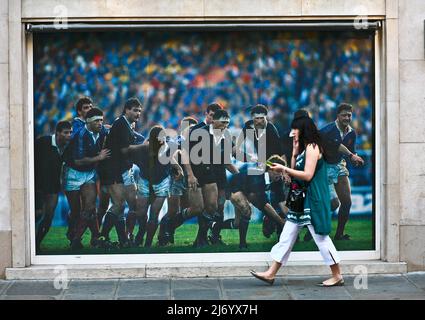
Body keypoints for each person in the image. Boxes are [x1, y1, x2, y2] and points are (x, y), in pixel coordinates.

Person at [250, 115, 344, 287]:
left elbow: (307, 175)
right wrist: (293, 153)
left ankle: (337, 274)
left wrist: (284, 168)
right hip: (302, 200)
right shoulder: (304, 149)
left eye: (295, 129)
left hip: (312, 199)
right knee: (286, 236)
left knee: (320, 237)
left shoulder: (313, 147)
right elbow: (296, 170)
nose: (292, 132)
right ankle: (271, 273)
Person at [212, 155, 288, 249]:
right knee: (246, 210)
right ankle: (242, 245)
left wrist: (290, 220)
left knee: (237, 224)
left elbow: (282, 203)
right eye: (278, 171)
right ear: (270, 169)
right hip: (234, 187)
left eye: (282, 171)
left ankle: (216, 227)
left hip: (247, 188)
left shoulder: (277, 180)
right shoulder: (257, 173)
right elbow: (260, 202)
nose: (280, 174)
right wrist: (280, 222)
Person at [188, 109, 239, 248]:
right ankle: (201, 238)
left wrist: (239, 175)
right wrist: (190, 175)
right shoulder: (200, 132)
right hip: (203, 173)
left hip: (219, 173)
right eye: (223, 122)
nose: (225, 126)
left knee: (219, 206)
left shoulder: (226, 135)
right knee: (209, 206)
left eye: (227, 123)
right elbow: (185, 154)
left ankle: (210, 237)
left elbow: (229, 159)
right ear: (214, 120)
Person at [97, 97, 143, 248]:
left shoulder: (127, 124)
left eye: (140, 111)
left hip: (124, 168)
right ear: (127, 110)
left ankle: (125, 237)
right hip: (113, 169)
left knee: (133, 203)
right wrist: (145, 147)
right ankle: (102, 237)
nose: (138, 113)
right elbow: (124, 149)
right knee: (119, 204)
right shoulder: (121, 124)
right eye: (135, 110)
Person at [62, 108, 110, 250]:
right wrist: (99, 157)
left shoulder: (101, 131)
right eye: (97, 120)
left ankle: (77, 239)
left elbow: (112, 130)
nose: (100, 123)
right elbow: (78, 160)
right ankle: (83, 236)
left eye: (101, 120)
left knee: (90, 207)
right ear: (88, 122)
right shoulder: (81, 134)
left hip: (88, 174)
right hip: (73, 173)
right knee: (76, 211)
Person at [128, 125, 183, 247]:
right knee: (141, 213)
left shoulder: (167, 148)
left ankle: (148, 243)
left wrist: (179, 168)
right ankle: (141, 232)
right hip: (145, 181)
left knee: (154, 215)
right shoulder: (142, 149)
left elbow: (171, 158)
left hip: (162, 182)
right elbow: (128, 153)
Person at [320, 103, 364, 241]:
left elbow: (351, 149)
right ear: (337, 116)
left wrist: (354, 158)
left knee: (347, 202)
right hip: (323, 167)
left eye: (349, 115)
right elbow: (338, 146)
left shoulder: (351, 132)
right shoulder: (328, 130)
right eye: (344, 115)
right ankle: (314, 224)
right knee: (334, 204)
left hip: (339, 165)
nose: (347, 117)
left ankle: (339, 234)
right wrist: (352, 156)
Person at [157, 116, 204, 246]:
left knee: (185, 209)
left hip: (187, 179)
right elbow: (167, 156)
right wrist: (176, 166)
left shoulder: (195, 142)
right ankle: (163, 235)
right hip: (175, 179)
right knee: (173, 211)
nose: (192, 131)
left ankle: (168, 232)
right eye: (190, 128)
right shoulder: (176, 141)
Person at [34, 121, 72, 251]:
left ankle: (37, 244)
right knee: (37, 214)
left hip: (53, 186)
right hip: (37, 185)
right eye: (66, 133)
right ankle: (29, 243)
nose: (69, 135)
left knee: (48, 217)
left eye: (70, 132)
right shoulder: (42, 142)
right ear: (57, 133)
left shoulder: (68, 147)